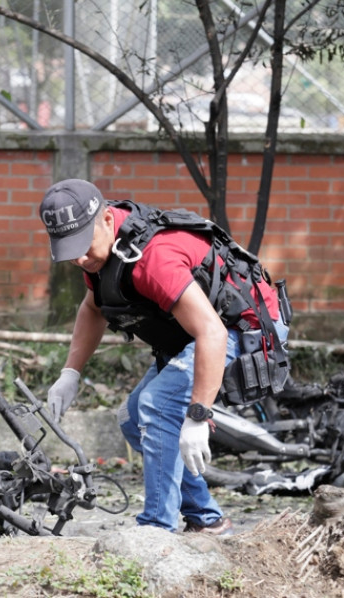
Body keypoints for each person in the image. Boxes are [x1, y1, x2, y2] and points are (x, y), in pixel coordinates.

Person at [38, 178, 288, 535]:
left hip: (245, 329)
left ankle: (156, 532)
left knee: (157, 405)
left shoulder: (153, 258)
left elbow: (213, 333)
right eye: (69, 249)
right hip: (201, 330)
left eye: (82, 245)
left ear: (108, 220)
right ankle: (206, 519)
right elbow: (93, 307)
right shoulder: (101, 252)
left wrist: (199, 416)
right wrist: (70, 373)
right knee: (132, 417)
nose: (79, 257)